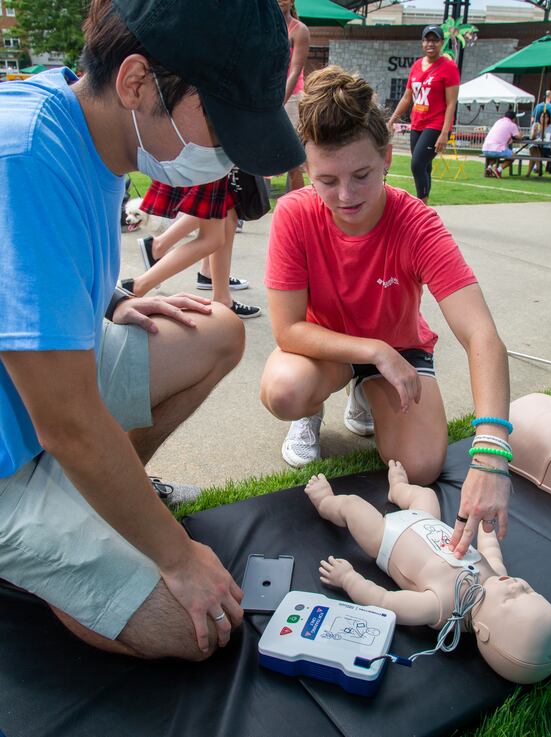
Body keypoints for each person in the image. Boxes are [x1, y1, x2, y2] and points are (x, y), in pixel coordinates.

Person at [0, 0, 304, 662]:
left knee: (218, 330)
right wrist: (176, 553)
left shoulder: (85, 121)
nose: (226, 155)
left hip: (37, 396)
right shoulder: (22, 151)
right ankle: (69, 512)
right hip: (15, 448)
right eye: (219, 122)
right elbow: (69, 421)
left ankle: (93, 495)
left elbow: (22, 266)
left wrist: (105, 299)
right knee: (193, 627)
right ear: (137, 82)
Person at [260, 65, 511, 560]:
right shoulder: (293, 213)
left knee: (419, 467)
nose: (346, 196)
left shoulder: (417, 223)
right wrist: (374, 352)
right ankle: (316, 409)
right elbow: (287, 328)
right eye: (327, 180)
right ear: (306, 170)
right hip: (329, 345)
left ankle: (367, 396)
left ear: (387, 158)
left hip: (401, 346)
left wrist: (491, 452)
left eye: (361, 176)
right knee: (285, 390)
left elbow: (482, 334)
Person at [304, 463, 551, 684]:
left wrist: (348, 579)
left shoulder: (441, 606)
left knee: (352, 506)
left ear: (483, 631)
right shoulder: (496, 575)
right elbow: (490, 549)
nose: (517, 584)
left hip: (386, 537)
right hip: (427, 520)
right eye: (529, 590)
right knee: (427, 497)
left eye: (512, 599)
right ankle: (398, 490)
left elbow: (385, 601)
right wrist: (487, 526)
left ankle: (325, 501)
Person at [121, 174, 261, 318]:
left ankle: (218, 291)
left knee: (228, 216)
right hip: (214, 162)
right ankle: (137, 285)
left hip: (211, 162)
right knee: (213, 237)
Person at [386, 25, 460, 203]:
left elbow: (451, 103)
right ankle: (425, 206)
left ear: (441, 42)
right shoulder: (417, 65)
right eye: (427, 39)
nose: (431, 43)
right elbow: (407, 97)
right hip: (417, 123)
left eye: (435, 40)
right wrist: (392, 120)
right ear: (422, 42)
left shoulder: (448, 68)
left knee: (417, 164)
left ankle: (422, 204)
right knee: (425, 166)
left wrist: (444, 132)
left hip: (436, 125)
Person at [278, 0, 310, 191]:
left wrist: (280, 101)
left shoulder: (299, 30)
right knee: (260, 153)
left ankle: (297, 206)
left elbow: (295, 70)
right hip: (266, 98)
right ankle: (258, 204)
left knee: (292, 160)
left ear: (291, 1)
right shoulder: (264, 26)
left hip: (290, 99)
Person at [481, 110, 523, 178]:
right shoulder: (512, 125)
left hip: (485, 148)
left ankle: (489, 167)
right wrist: (521, 134)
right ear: (514, 119)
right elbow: (519, 137)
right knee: (514, 156)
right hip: (497, 149)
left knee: (495, 155)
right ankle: (499, 170)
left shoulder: (498, 121)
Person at [525, 110, 551, 177]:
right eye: (542, 117)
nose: (543, 119)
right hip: (535, 146)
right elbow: (532, 138)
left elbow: (550, 138)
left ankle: (530, 172)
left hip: (546, 147)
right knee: (534, 149)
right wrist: (535, 132)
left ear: (548, 118)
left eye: (546, 117)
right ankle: (538, 168)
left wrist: (542, 131)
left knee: (534, 154)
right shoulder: (535, 125)